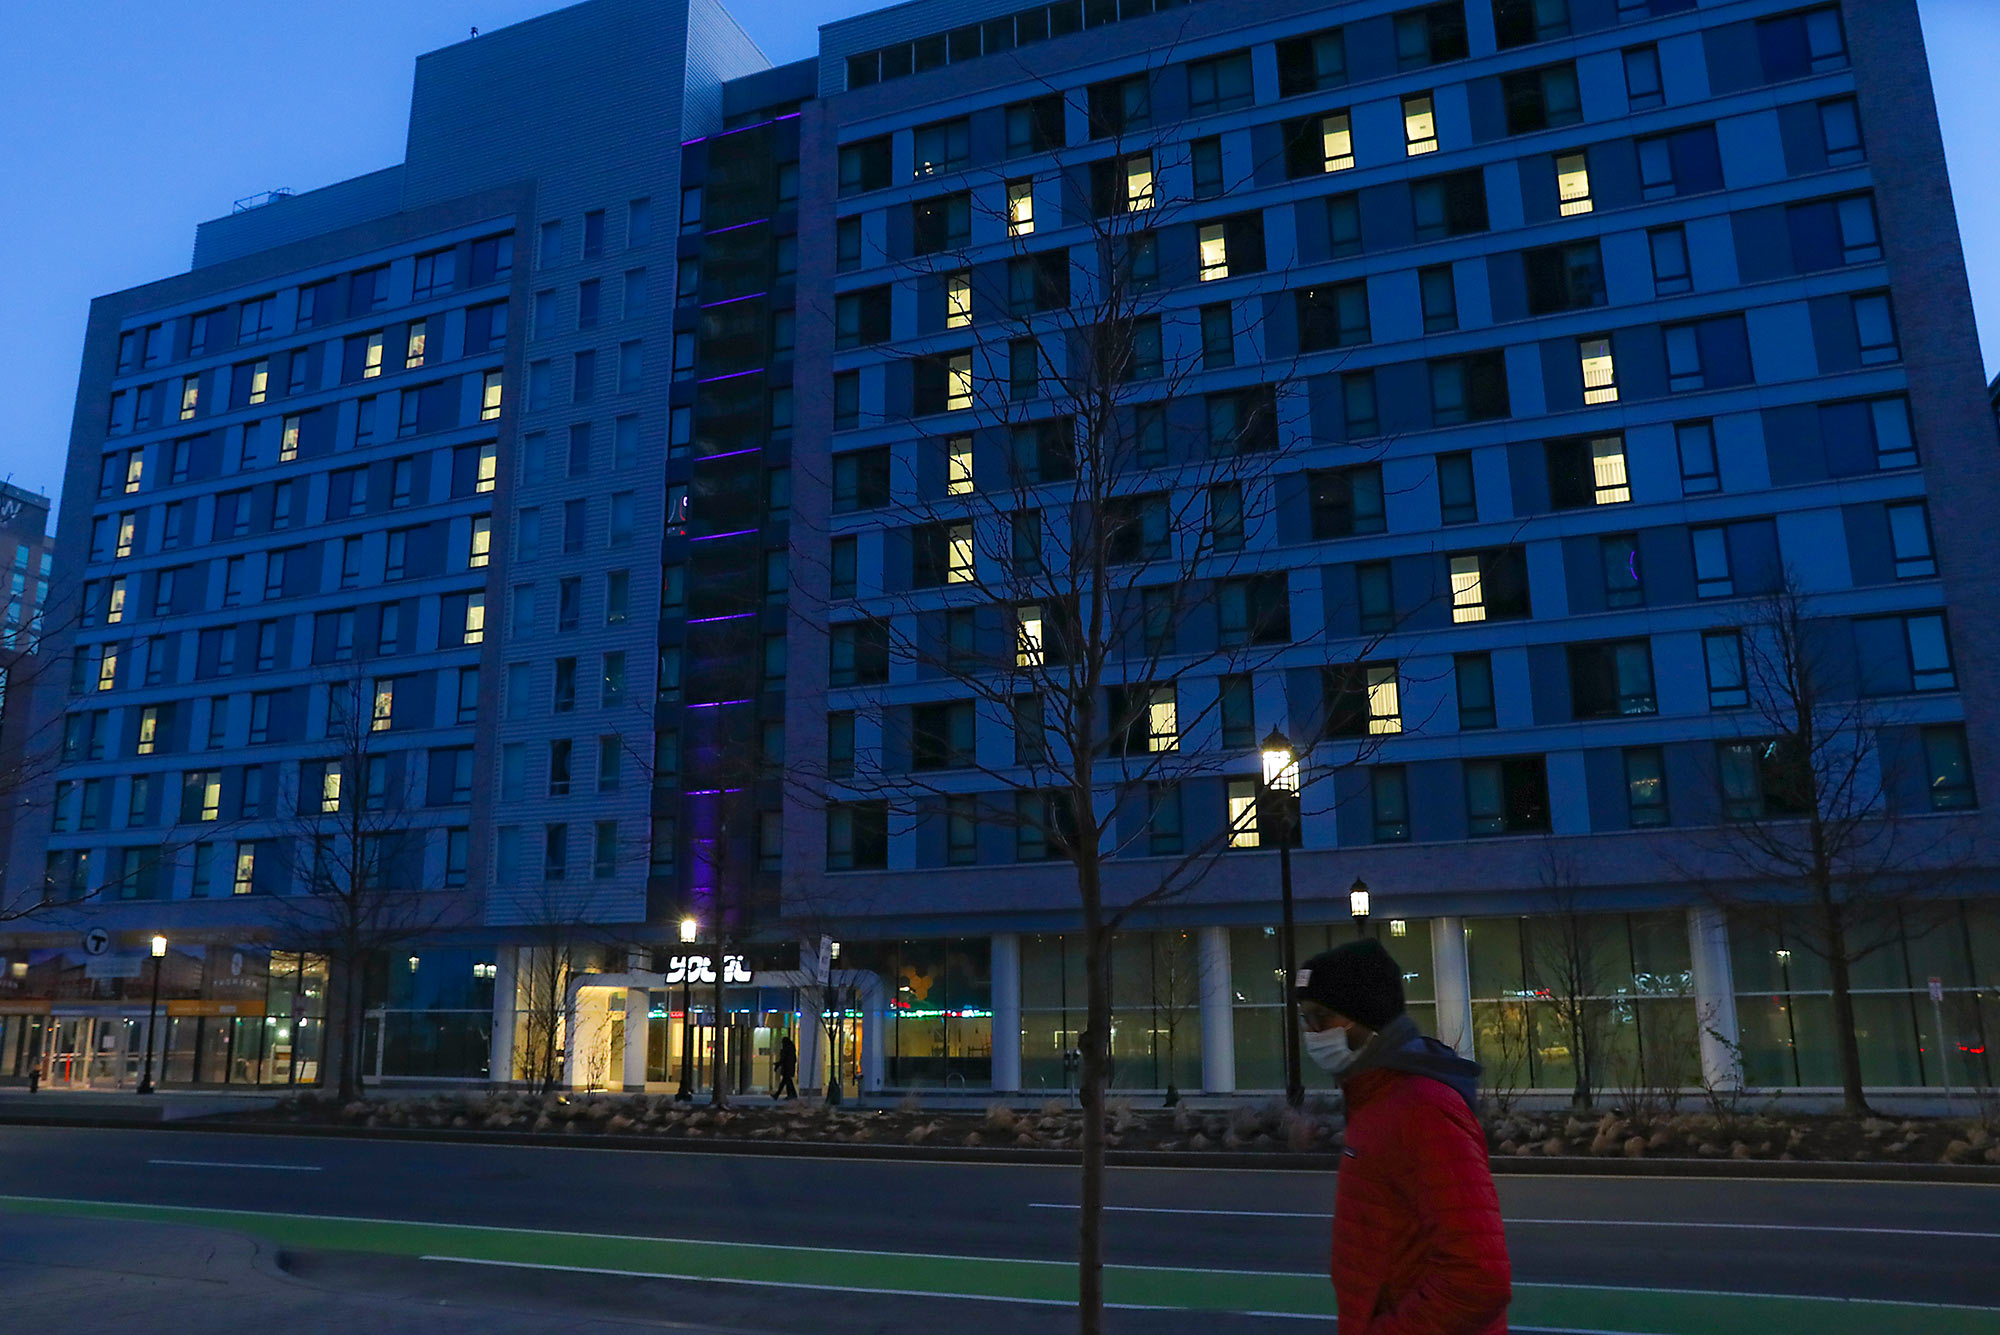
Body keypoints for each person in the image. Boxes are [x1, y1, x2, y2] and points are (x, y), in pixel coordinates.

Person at [1297, 939, 1510, 1335]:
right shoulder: (1375, 1097)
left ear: (1367, 1018)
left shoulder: (1420, 1106)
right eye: (1305, 1018)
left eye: (1321, 1017)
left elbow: (1478, 1277)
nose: (1311, 1032)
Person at [773, 1033, 799, 1101]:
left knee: (787, 1082)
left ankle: (789, 1095)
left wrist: (778, 1064)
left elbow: (783, 1058)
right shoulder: (791, 1049)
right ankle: (791, 1095)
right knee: (787, 1082)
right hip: (789, 1068)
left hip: (787, 1068)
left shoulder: (786, 1049)